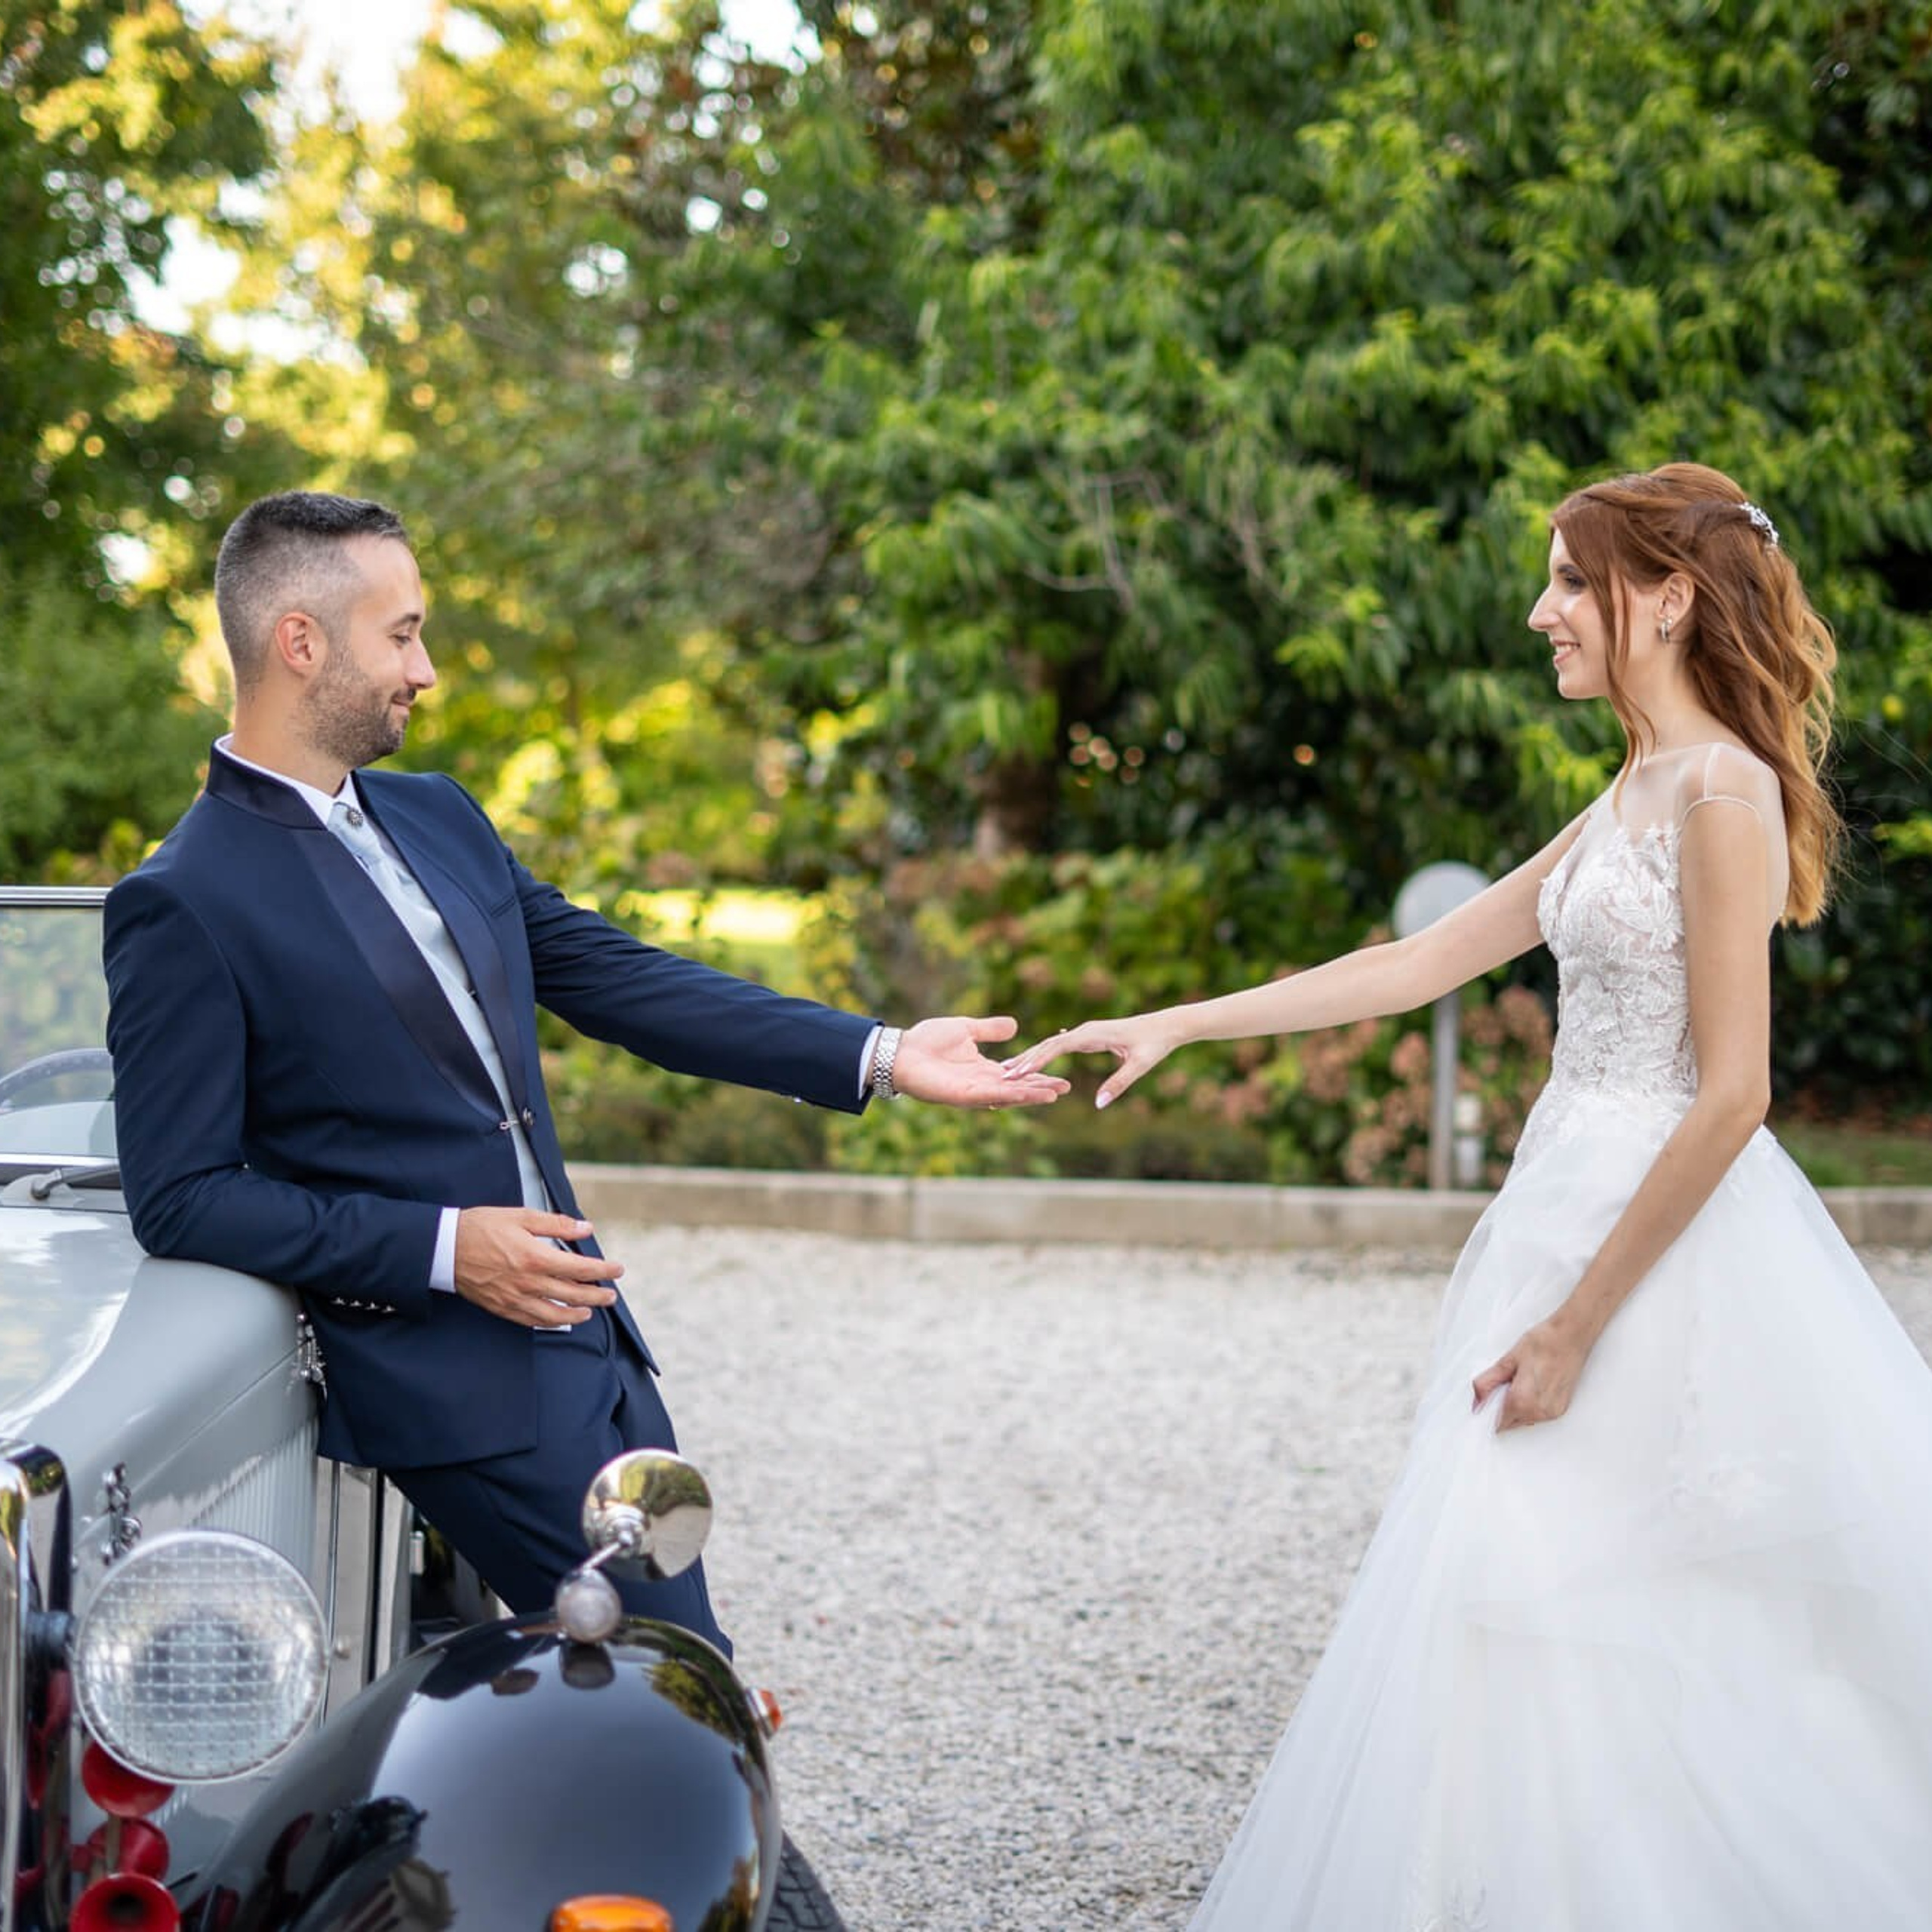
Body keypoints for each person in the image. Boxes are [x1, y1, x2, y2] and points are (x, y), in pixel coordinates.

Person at [1002, 463, 1932, 1930]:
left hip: (1654, 1257)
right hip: (1559, 1208)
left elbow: (1734, 1091)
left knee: (1620, 1592)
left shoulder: (1721, 792)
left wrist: (1571, 1324)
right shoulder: (1627, 787)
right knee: (1516, 1596)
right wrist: (1182, 1019)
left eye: (1571, 580)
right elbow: (1411, 963)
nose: (1538, 610)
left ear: (1667, 596)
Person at [105, 489, 1068, 1655]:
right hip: (455, 1388)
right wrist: (451, 1250)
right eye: (402, 634)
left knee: (650, 1684)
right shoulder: (185, 898)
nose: (429, 668)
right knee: (671, 1685)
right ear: (300, 643)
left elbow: (624, 981)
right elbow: (183, 1194)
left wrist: (883, 1055)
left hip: (597, 1346)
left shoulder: (438, 815)